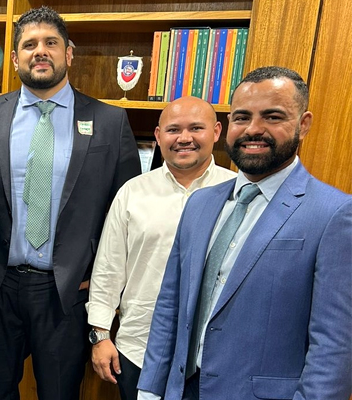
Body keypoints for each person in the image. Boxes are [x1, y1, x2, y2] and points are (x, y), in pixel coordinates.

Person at [137, 66, 352, 400]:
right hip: (182, 390)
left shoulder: (333, 213)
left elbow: (335, 345)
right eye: (241, 117)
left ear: (303, 124)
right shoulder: (200, 203)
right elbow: (170, 305)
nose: (254, 129)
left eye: (272, 117)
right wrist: (150, 389)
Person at [0, 6, 141, 399]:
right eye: (29, 44)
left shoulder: (110, 120)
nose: (40, 51)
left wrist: (103, 279)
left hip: (66, 291)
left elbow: (126, 209)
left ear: (68, 54)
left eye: (50, 43)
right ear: (15, 58)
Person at [87, 96, 236, 400]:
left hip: (211, 356)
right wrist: (100, 335)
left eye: (196, 128)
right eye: (173, 130)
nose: (184, 138)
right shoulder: (133, 192)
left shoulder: (239, 193)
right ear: (158, 136)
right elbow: (108, 269)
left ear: (217, 131)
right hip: (138, 348)